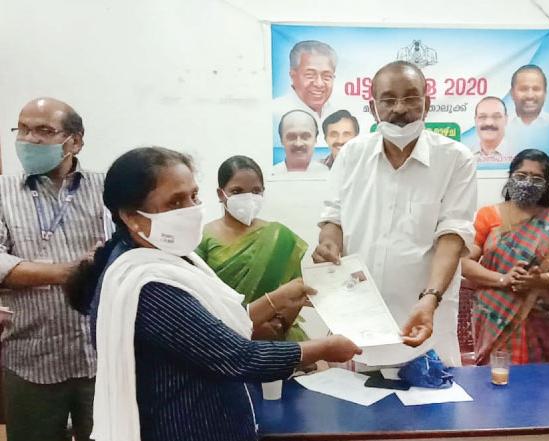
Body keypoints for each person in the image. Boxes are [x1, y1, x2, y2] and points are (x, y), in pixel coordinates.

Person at [65, 147, 361, 441]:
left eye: (193, 196)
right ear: (132, 217)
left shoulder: (170, 259)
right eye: (175, 202)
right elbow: (239, 357)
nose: (191, 209)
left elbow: (211, 327)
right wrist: (325, 347)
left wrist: (281, 297)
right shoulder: (149, 286)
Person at [314, 60, 477, 366]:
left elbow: (453, 236)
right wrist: (328, 243)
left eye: (411, 98)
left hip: (425, 322)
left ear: (427, 104)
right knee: (354, 395)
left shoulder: (456, 159)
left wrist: (430, 298)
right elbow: (333, 217)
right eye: (388, 100)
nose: (399, 108)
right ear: (373, 107)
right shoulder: (351, 155)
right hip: (359, 324)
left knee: (430, 394)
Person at [0, 97, 109, 441]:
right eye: (23, 129)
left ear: (74, 142)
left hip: (100, 356)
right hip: (31, 356)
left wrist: (26, 272)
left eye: (44, 130)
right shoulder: (2, 192)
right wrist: (71, 272)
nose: (30, 139)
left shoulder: (107, 188)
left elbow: (122, 250)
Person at [462, 149, 549, 365]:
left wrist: (543, 280)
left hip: (541, 316)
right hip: (494, 313)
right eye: (521, 176)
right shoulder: (488, 215)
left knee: (538, 380)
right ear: (510, 177)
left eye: (536, 178)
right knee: (496, 376)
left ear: (547, 184)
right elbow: (464, 262)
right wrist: (503, 279)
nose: (527, 183)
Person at [197, 155, 308, 341]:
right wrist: (249, 328)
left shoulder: (279, 235)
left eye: (256, 191)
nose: (248, 198)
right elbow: (199, 297)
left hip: (280, 339)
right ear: (220, 194)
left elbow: (296, 291)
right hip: (224, 338)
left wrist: (278, 325)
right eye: (237, 191)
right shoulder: (202, 238)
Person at [275, 40, 338, 121]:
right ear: (292, 76)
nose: (319, 84)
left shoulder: (336, 114)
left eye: (326, 76)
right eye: (310, 75)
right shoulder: (275, 112)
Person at [505, 65, 549, 155]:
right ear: (512, 93)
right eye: (523, 89)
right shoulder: (502, 126)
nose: (530, 95)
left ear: (545, 93)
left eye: (536, 89)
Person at [273, 110, 329, 174]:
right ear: (281, 140)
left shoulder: (326, 173)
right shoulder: (272, 174)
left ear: (315, 139)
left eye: (305, 137)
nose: (298, 144)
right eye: (291, 137)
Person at [473, 96, 512, 163]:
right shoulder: (466, 155)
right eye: (482, 117)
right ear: (475, 120)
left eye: (496, 116)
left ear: (506, 120)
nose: (489, 123)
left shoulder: (517, 153)